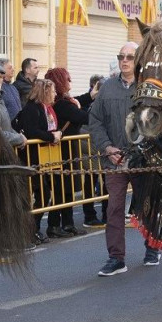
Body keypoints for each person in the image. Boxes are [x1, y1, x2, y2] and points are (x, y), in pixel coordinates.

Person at [88, 42, 160, 276]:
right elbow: (95, 121)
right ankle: (116, 258)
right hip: (115, 161)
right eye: (121, 56)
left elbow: (160, 120)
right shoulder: (107, 88)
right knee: (115, 209)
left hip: (143, 161)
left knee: (146, 207)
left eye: (130, 57)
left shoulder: (149, 87)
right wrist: (107, 148)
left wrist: (146, 150)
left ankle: (152, 247)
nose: (125, 60)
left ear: (138, 60)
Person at [12, 79, 63, 244]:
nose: (55, 94)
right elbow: (32, 131)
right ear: (45, 92)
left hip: (43, 159)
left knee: (43, 194)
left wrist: (56, 134)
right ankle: (28, 231)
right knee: (37, 195)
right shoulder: (32, 109)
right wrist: (51, 136)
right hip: (30, 159)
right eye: (53, 91)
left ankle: (34, 229)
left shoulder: (46, 109)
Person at [43, 68, 89, 238]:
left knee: (67, 189)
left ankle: (67, 224)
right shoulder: (62, 104)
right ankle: (55, 225)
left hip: (67, 151)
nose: (70, 82)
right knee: (62, 189)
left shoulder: (64, 102)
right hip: (63, 152)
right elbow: (83, 117)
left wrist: (88, 97)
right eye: (68, 79)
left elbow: (79, 106)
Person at [75, 74, 106, 227]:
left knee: (107, 179)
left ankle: (107, 213)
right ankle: (89, 215)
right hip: (89, 145)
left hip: (101, 145)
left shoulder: (102, 101)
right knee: (91, 178)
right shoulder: (87, 103)